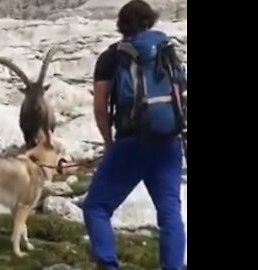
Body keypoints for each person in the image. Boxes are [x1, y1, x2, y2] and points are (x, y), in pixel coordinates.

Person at [82, 1, 186, 270]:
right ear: (150, 21)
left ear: (121, 24)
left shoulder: (112, 56)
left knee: (96, 207)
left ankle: (108, 265)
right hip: (168, 141)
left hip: (131, 142)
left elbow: (100, 106)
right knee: (169, 213)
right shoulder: (167, 49)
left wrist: (108, 142)